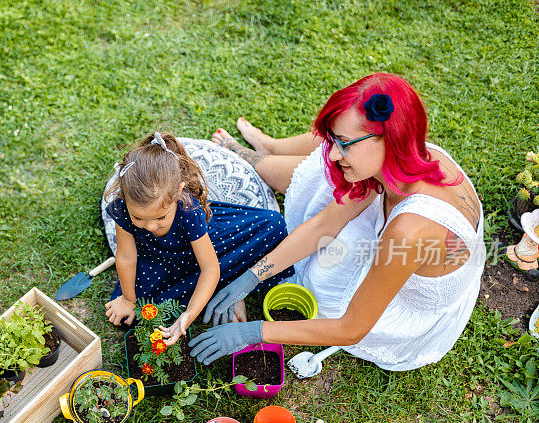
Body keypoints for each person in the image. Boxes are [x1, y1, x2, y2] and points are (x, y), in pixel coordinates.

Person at [188, 73, 485, 371]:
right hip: (425, 252)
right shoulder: (400, 158)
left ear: (389, 138)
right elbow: (323, 226)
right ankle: (266, 149)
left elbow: (350, 328)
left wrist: (253, 332)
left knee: (326, 267)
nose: (332, 152)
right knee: (323, 175)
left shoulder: (408, 232)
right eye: (333, 140)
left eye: (344, 143)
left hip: (410, 304)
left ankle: (252, 155)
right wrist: (252, 277)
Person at [104, 131, 293, 344]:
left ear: (178, 192)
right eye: (138, 218)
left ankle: (232, 289)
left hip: (206, 246)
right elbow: (127, 258)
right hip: (156, 262)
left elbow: (210, 268)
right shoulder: (122, 208)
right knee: (134, 316)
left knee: (273, 225)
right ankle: (221, 288)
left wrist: (189, 315)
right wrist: (129, 300)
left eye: (160, 217)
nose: (150, 226)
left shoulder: (188, 210)